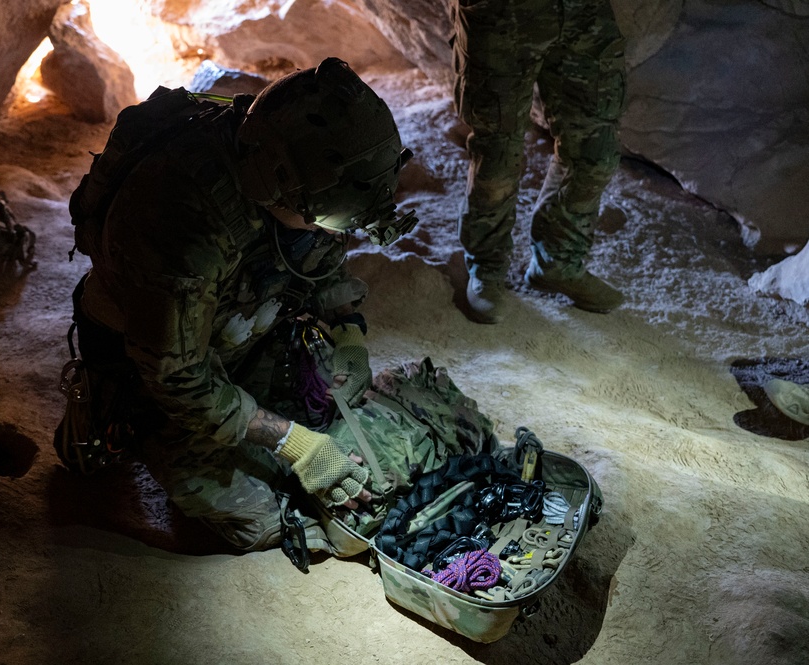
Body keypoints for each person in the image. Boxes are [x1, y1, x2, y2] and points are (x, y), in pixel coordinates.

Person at [54, 57, 417, 557]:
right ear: (276, 189)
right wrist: (294, 443)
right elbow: (179, 377)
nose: (330, 229)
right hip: (157, 367)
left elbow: (322, 251)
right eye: (322, 218)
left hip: (238, 323)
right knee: (269, 516)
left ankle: (263, 408)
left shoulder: (292, 171)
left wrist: (349, 329)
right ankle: (112, 414)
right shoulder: (179, 227)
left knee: (339, 408)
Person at [451, 0, 628, 323]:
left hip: (582, 12)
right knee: (498, 155)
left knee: (596, 150)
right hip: (503, 12)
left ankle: (557, 263)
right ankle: (487, 268)